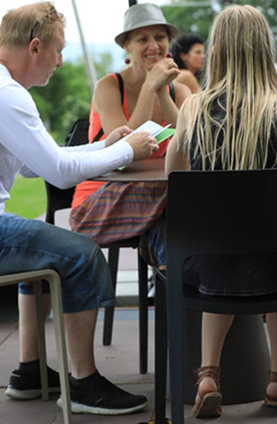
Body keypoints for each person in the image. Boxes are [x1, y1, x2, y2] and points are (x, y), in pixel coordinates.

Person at [0, 2, 156, 415]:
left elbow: (32, 164)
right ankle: (83, 384)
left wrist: (105, 144)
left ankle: (30, 372)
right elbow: (58, 173)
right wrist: (127, 149)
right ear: (35, 47)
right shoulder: (3, 94)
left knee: (46, 249)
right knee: (80, 253)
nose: (60, 62)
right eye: (58, 51)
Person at [165, 4, 277, 419]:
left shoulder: (192, 109)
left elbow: (175, 179)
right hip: (274, 269)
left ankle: (208, 374)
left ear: (218, 50)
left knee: (217, 251)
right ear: (264, 49)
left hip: (207, 268)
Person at [69, 3, 190, 261]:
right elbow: (123, 150)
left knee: (174, 223)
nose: (154, 46)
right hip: (96, 205)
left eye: (160, 38)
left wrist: (161, 91)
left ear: (169, 43)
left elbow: (192, 144)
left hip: (158, 202)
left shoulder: (178, 91)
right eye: (142, 39)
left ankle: (172, 286)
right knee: (185, 198)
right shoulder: (109, 87)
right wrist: (149, 87)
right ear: (127, 47)